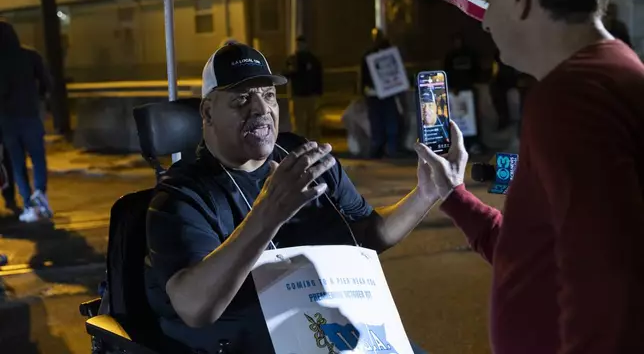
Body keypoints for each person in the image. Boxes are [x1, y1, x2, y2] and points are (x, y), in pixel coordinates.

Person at [145, 42, 433, 354]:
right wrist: (267, 214)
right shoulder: (181, 195)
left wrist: (427, 193)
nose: (260, 109)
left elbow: (369, 234)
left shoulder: (304, 157)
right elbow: (194, 307)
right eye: (242, 99)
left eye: (268, 96)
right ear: (208, 112)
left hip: (340, 330)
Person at [416, 0, 644, 353]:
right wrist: (453, 194)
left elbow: (610, 288)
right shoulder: (603, 77)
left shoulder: (575, 97)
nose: (485, 23)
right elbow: (541, 254)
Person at [0, 21, 53, 222]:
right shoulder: (31, 55)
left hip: (7, 120)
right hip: (30, 115)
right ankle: (40, 192)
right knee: (38, 157)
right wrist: (37, 98)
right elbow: (48, 83)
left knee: (17, 163)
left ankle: (28, 206)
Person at [359, 28, 401, 158]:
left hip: (385, 92)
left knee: (386, 121)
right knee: (379, 121)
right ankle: (381, 148)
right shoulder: (371, 55)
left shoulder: (386, 53)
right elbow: (363, 75)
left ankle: (387, 148)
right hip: (376, 93)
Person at [443, 34, 484, 154]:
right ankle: (461, 143)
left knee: (471, 118)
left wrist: (474, 83)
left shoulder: (470, 54)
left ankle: (473, 143)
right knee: (458, 117)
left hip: (469, 89)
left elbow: (476, 70)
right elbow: (447, 72)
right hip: (457, 91)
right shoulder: (451, 56)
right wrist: (451, 87)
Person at [283, 36, 323, 140]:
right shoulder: (292, 59)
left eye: (302, 44)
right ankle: (300, 143)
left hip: (311, 95)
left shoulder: (313, 60)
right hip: (297, 95)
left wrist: (319, 92)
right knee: (298, 122)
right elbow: (286, 75)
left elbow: (319, 76)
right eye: (298, 44)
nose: (300, 46)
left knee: (313, 122)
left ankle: (315, 143)